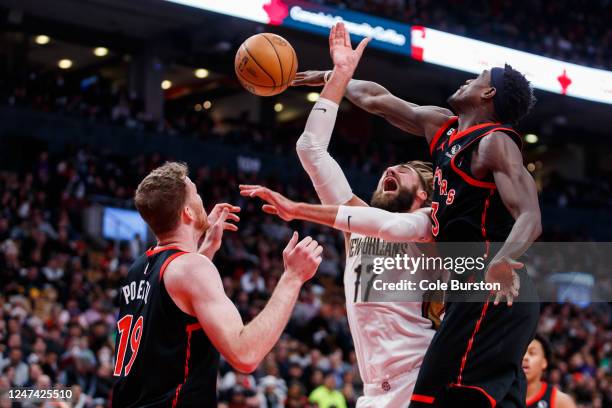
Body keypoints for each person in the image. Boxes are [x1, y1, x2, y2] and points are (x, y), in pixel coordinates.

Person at [294, 47, 542, 407]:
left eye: (476, 79)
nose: (465, 81)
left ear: (488, 94)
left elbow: (530, 217)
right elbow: (376, 98)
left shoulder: (493, 142)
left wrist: (504, 259)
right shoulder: (442, 127)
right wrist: (332, 77)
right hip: (468, 297)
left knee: (431, 397)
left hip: (492, 282)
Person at [241, 22, 442, 407]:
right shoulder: (360, 226)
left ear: (423, 193)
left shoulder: (428, 227)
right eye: (390, 167)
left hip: (423, 377)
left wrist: (297, 208)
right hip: (375, 390)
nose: (390, 170)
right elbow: (311, 149)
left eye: (403, 171)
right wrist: (339, 77)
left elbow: (390, 226)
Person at [111, 162, 324, 407]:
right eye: (196, 195)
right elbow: (246, 355)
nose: (202, 200)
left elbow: (174, 319)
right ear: (188, 213)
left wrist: (205, 249)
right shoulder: (192, 269)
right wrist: (293, 277)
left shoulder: (139, 267)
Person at [523, 335, 576, 408]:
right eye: (521, 352)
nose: (525, 357)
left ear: (544, 362)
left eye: (532, 353)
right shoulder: (502, 393)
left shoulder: (561, 401)